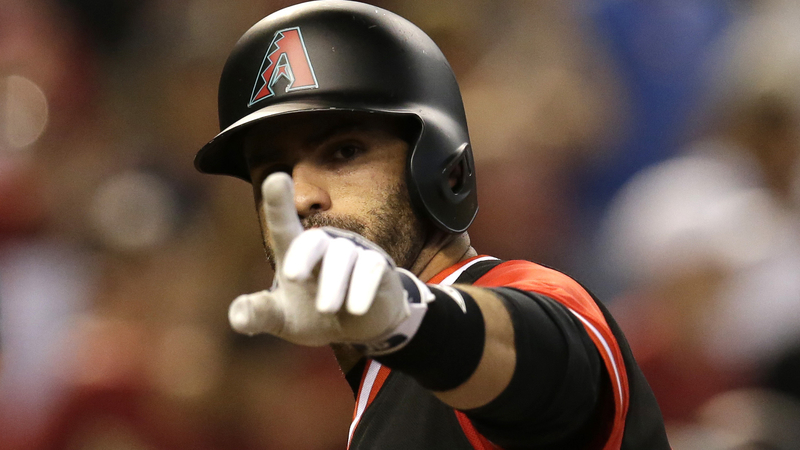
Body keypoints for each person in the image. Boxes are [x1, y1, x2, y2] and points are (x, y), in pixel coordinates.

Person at [194, 1, 670, 449]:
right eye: (273, 173)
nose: (300, 196)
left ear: (446, 171)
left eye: (344, 152)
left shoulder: (525, 296)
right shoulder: (385, 384)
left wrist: (410, 318)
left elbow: (547, 364)